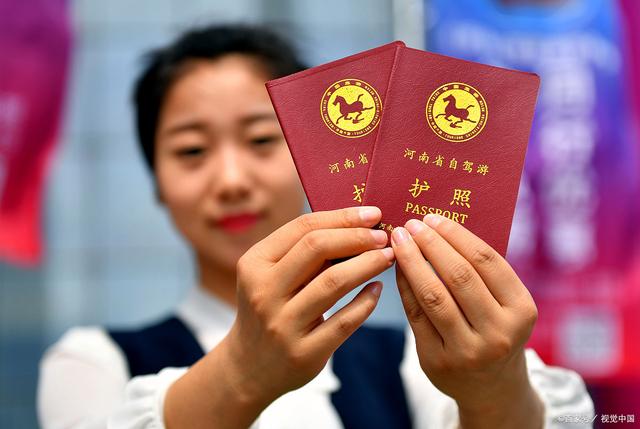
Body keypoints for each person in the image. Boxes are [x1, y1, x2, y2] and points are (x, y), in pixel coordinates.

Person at [37, 24, 594, 428]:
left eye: (261, 139)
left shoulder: (413, 360)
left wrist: (494, 386)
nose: (230, 180)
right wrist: (243, 370)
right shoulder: (92, 361)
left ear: (314, 155)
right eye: (191, 151)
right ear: (157, 182)